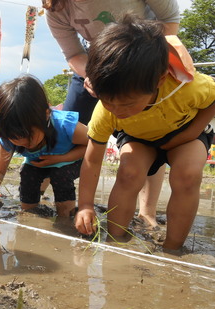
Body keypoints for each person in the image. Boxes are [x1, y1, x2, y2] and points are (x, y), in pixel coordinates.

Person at [75, 15, 215, 250]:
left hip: (184, 132)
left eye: (128, 104)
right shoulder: (106, 111)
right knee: (129, 172)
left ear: (159, 80)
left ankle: (173, 248)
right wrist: (86, 205)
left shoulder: (187, 86)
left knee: (188, 175)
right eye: (108, 101)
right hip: (139, 138)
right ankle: (114, 241)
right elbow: (91, 160)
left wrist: (193, 131)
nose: (117, 110)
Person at [43, 0, 180, 227]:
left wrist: (148, 66)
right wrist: (97, 77)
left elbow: (170, 18)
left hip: (144, 60)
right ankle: (42, 191)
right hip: (95, 65)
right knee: (63, 130)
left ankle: (147, 212)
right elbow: (74, 53)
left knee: (152, 133)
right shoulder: (56, 7)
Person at [0, 75, 88, 217]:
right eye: (15, 138)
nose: (23, 142)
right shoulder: (9, 135)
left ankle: (66, 217)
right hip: (39, 163)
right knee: (27, 173)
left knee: (60, 175)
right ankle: (30, 214)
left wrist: (62, 158)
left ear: (45, 115)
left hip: (72, 160)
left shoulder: (65, 126)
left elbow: (93, 145)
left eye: (28, 135)